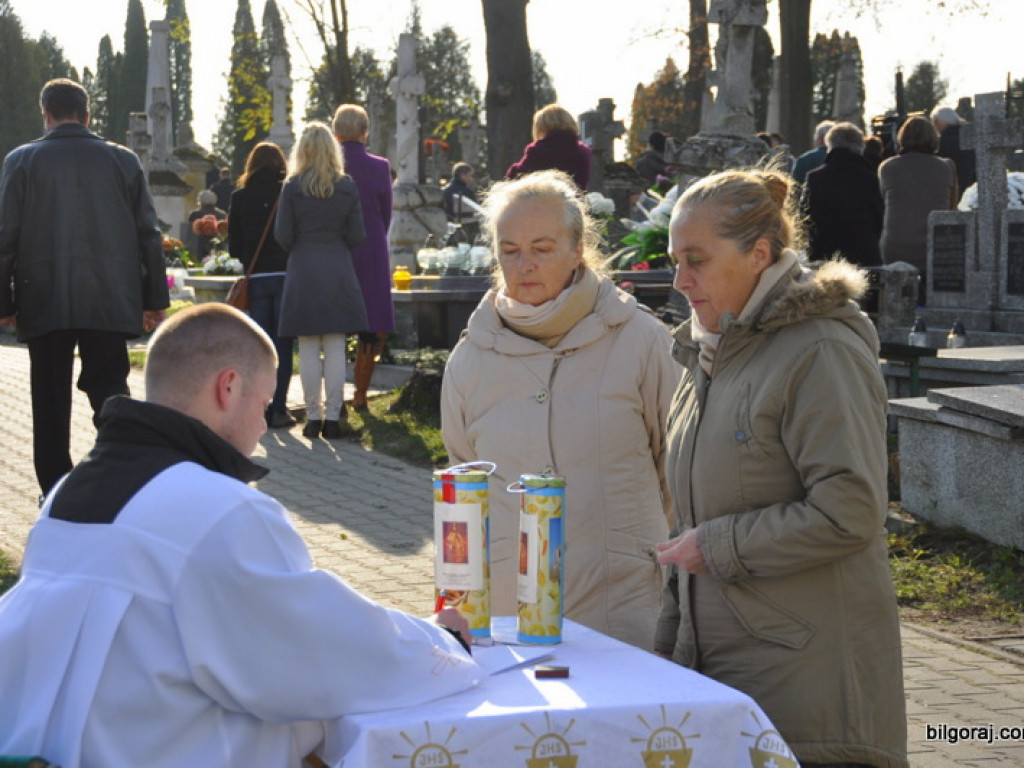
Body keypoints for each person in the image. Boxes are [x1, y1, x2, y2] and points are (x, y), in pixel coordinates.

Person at [0, 303, 481, 768]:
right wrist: (441, 644)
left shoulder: (66, 494)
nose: (263, 423)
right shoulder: (218, 509)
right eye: (266, 402)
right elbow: (320, 653)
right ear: (228, 387)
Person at [654, 168, 907, 768]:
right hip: (727, 678)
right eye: (675, 259)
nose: (679, 280)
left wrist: (716, 546)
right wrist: (669, 648)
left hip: (809, 692)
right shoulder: (710, 351)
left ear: (759, 255)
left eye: (697, 260)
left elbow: (851, 508)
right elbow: (691, 517)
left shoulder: (820, 349)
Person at [441, 170, 679, 651]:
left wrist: (630, 549)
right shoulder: (469, 360)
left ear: (577, 250)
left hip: (624, 606)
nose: (524, 264)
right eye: (510, 250)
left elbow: (675, 468)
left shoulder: (641, 341)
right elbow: (466, 481)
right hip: (512, 617)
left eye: (542, 248)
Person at [0, 78, 168, 496]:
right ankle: (123, 472)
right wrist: (153, 299)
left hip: (44, 295)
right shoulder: (123, 161)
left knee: (50, 397)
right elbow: (148, 232)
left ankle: (55, 491)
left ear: (47, 114)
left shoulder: (22, 160)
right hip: (110, 295)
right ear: (87, 115)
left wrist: (4, 301)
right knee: (110, 386)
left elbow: (5, 237)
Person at [276, 122, 367, 440]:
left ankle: (312, 418)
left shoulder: (292, 187)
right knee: (336, 346)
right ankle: (333, 418)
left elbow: (282, 235)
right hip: (338, 267)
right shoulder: (347, 186)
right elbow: (358, 234)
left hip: (303, 267)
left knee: (308, 347)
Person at [333, 104, 397, 410]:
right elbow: (386, 212)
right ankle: (360, 392)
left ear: (336, 132)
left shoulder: (327, 167)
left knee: (333, 323)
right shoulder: (380, 166)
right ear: (364, 131)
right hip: (371, 245)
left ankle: (333, 396)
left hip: (336, 247)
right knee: (372, 323)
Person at [228, 141, 294, 429]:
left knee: (261, 348)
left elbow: (233, 247)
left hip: (256, 279)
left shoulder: (240, 197)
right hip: (285, 275)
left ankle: (259, 407)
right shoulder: (288, 193)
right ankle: (279, 408)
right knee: (283, 345)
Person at [878, 115, 958, 300]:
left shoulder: (887, 167)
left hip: (895, 247)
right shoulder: (946, 167)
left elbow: (884, 201)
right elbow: (952, 208)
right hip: (934, 247)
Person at [801, 122, 884, 268]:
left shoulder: (814, 178)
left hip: (824, 257)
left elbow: (804, 216)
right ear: (860, 147)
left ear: (830, 145)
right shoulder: (869, 178)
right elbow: (880, 217)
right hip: (864, 257)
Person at [505, 104, 592, 190]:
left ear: (542, 127)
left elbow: (515, 177)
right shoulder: (583, 152)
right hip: (572, 201)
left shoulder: (537, 151)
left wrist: (513, 168)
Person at [933, 105, 976, 193]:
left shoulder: (940, 143)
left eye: (935, 122)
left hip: (950, 189)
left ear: (940, 121)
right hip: (971, 188)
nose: (934, 126)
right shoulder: (970, 138)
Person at [188, 188, 228, 260]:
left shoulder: (194, 214)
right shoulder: (222, 214)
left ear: (200, 200)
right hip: (218, 246)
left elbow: (189, 234)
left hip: (198, 248)